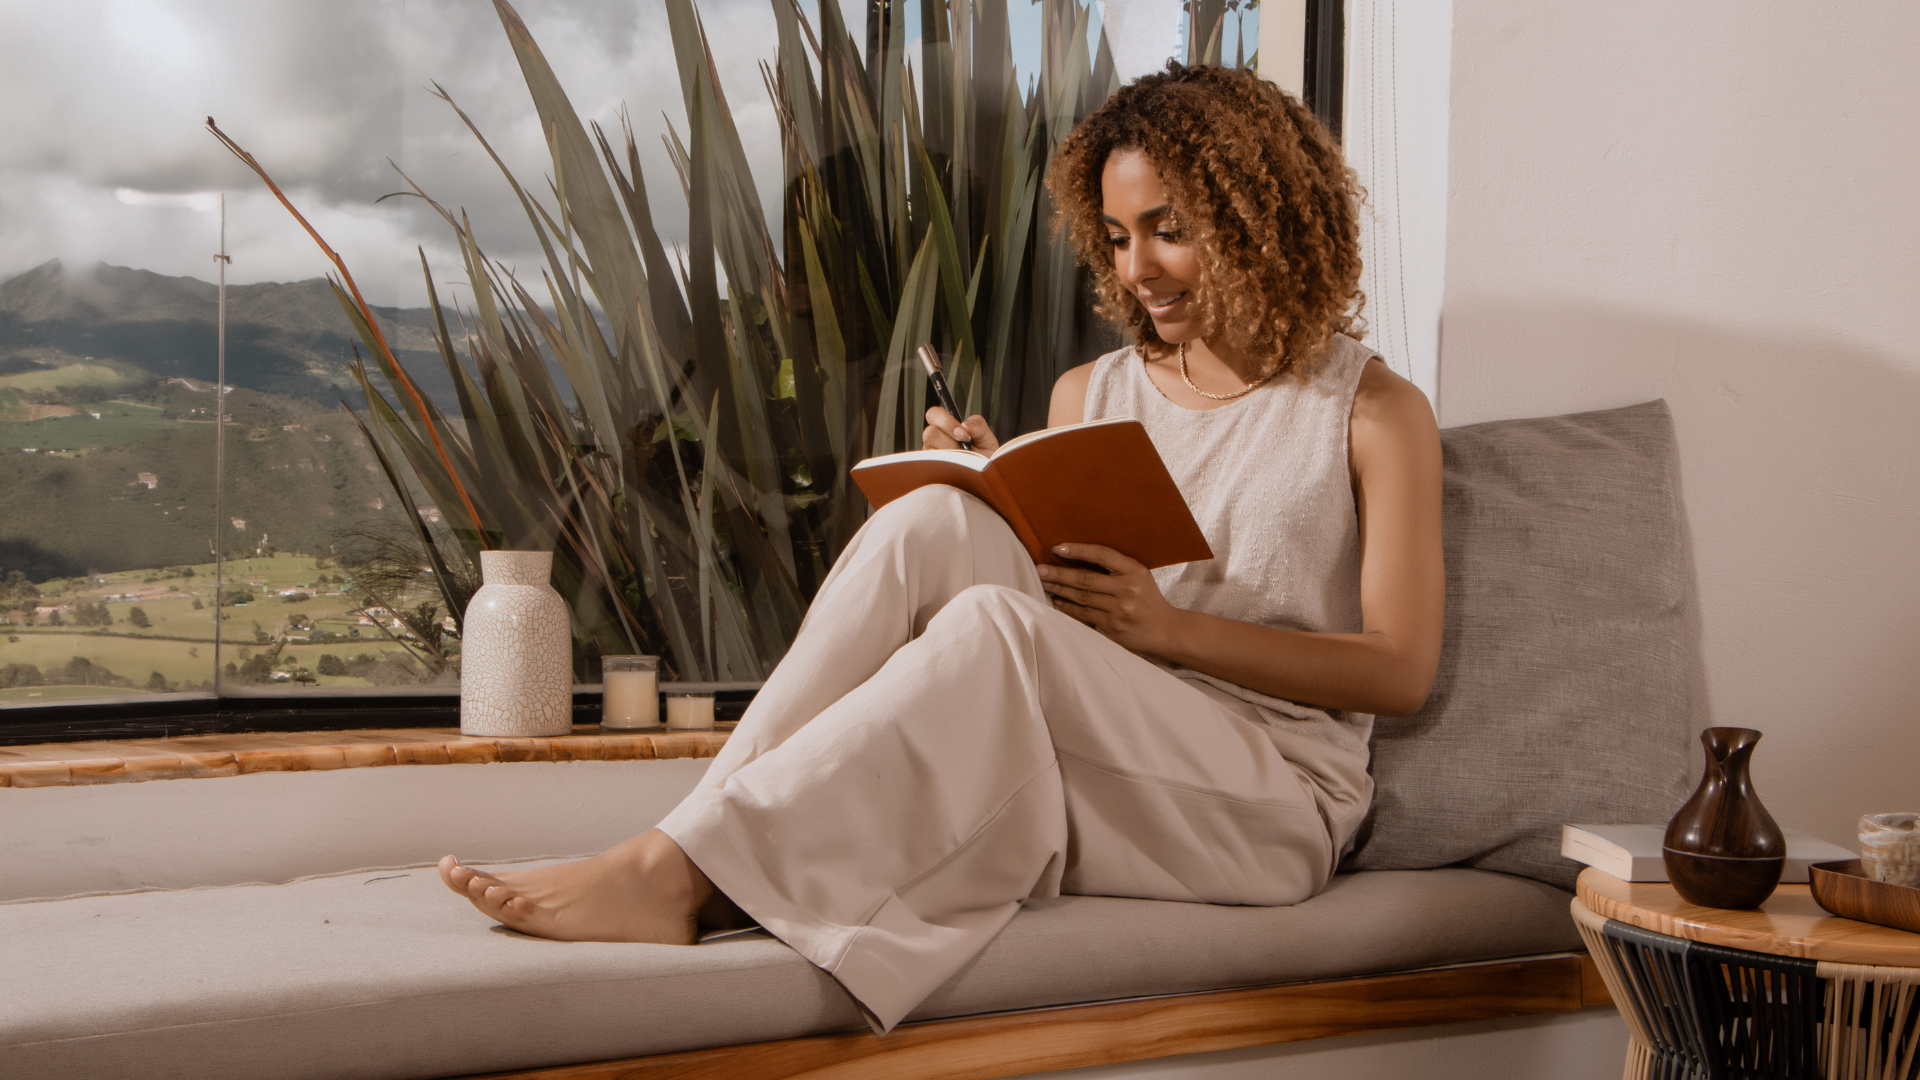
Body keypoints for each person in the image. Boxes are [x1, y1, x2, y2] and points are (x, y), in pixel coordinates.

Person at [437, 63, 1443, 1034]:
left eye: (1169, 231)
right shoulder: (1094, 394)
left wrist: (1171, 630)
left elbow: (1398, 671)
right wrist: (996, 493)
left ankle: (684, 871)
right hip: (1104, 741)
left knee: (998, 624)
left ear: (1259, 217)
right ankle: (684, 845)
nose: (1138, 269)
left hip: (1269, 799)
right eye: (1118, 236)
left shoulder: (1371, 411)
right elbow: (1071, 609)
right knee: (932, 522)